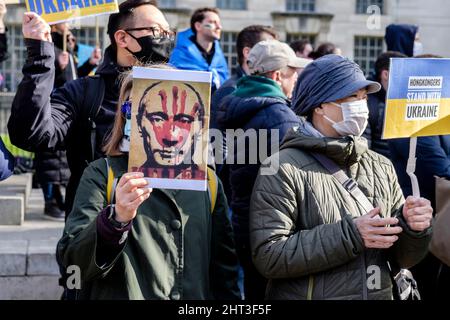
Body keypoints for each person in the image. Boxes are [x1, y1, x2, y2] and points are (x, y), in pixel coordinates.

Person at [249, 54, 433, 300]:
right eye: (350, 97)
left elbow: (403, 257)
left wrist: (413, 228)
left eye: (364, 97)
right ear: (319, 105)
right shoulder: (282, 167)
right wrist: (351, 235)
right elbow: (269, 256)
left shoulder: (381, 164)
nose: (361, 105)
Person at [56, 69, 240, 300]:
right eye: (157, 117)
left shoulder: (208, 184)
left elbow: (224, 274)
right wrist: (115, 220)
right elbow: (74, 264)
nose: (169, 134)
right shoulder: (102, 175)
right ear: (131, 118)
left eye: (182, 119)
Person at [8, 0, 175, 218]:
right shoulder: (85, 93)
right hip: (96, 231)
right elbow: (31, 134)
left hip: (161, 232)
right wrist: (41, 58)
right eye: (155, 30)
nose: (163, 38)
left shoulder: (179, 95)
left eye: (167, 32)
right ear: (122, 38)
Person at [216, 40, 307, 300]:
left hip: (242, 222)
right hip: (273, 232)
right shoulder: (280, 117)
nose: (296, 78)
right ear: (278, 75)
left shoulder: (235, 102)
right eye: (293, 72)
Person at [387, 55, 450, 300]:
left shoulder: (437, 121)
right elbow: (439, 166)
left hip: (435, 217)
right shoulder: (414, 124)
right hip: (418, 222)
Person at [131, 81, 206, 180]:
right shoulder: (112, 177)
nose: (171, 138)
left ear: (200, 128)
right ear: (139, 124)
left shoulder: (211, 186)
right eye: (157, 119)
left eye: (184, 121)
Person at [169, 7, 228, 93]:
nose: (219, 27)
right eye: (212, 22)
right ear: (198, 26)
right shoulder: (179, 52)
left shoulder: (219, 56)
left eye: (219, 23)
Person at [362, 51, 406, 159]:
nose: (407, 77)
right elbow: (364, 147)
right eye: (404, 72)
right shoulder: (366, 102)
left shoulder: (407, 100)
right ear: (385, 74)